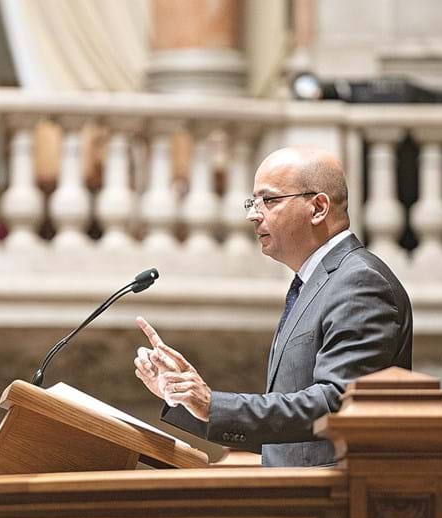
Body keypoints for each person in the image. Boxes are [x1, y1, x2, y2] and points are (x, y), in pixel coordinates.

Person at [133, 146, 412, 467]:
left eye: (269, 200)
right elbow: (288, 433)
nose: (253, 214)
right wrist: (184, 398)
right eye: (253, 202)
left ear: (318, 207)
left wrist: (213, 404)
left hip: (335, 501)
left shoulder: (359, 282)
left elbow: (337, 403)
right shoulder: (313, 283)